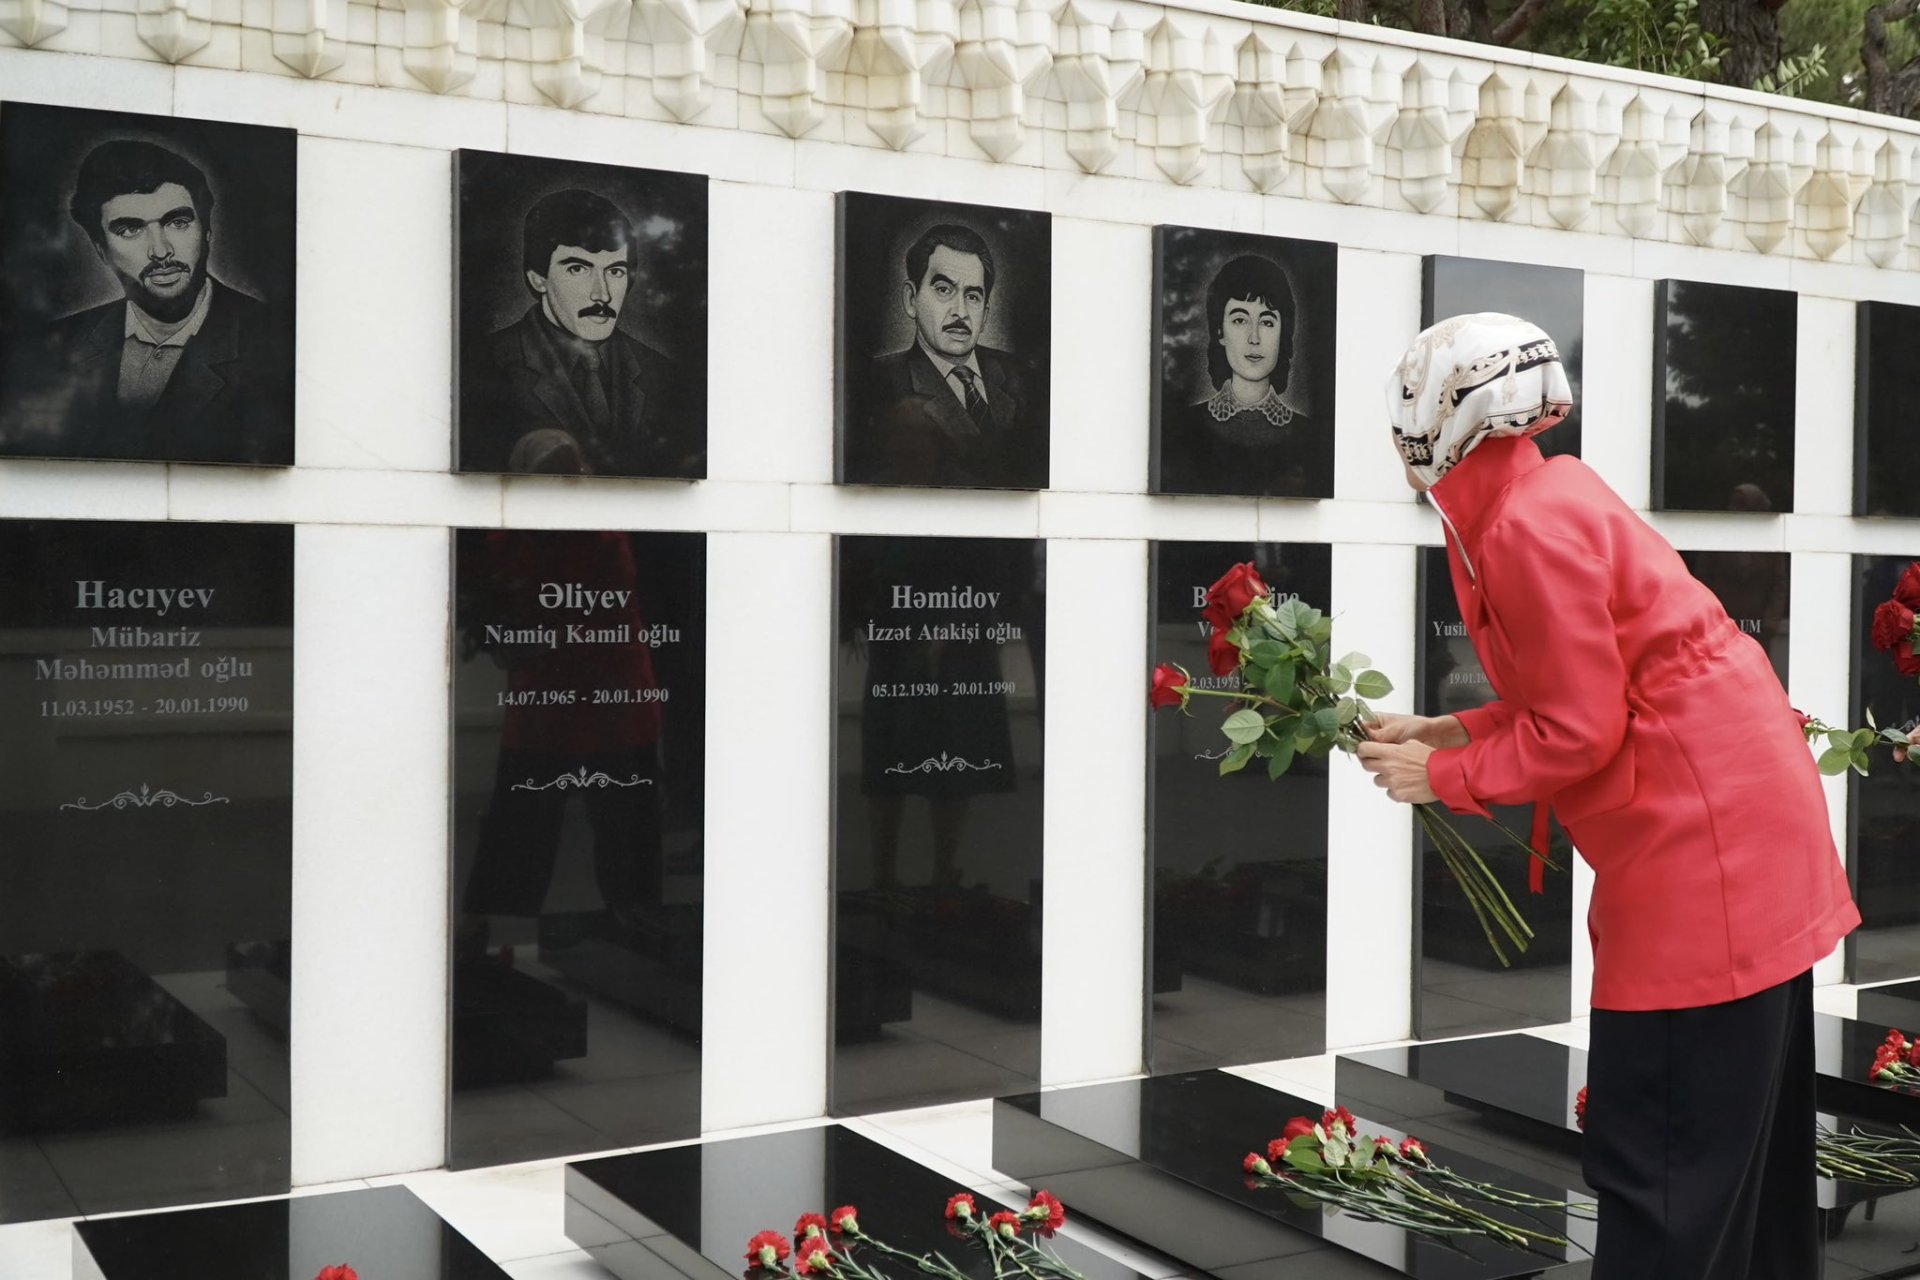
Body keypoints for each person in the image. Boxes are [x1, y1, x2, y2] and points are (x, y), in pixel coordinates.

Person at [1355, 313, 1859, 1280]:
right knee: (1747, 1169)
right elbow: (1601, 681)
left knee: (1663, 1164)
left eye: (1409, 402)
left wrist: (1446, 777)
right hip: (1743, 837)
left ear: (1448, 417)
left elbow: (1582, 728)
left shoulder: (1518, 528)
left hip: (1700, 863)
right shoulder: (1549, 491)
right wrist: (1456, 730)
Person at [0, 139, 293, 464]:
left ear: (207, 231)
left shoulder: (279, 344)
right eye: (130, 230)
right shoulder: (51, 348)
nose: (161, 250)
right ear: (100, 249)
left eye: (177, 222)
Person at [460, 189, 688, 477]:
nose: (601, 294)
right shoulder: (485, 366)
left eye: (615, 271)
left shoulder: (663, 373)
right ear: (538, 279)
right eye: (578, 269)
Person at [851, 223, 1046, 489]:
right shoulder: (873, 386)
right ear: (911, 299)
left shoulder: (1023, 377)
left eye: (973, 296)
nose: (960, 312)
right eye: (944, 290)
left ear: (985, 314)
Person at [1158, 254, 1327, 498]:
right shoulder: (1184, 427)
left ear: (1283, 333)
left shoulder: (1309, 433)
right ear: (1220, 331)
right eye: (1240, 320)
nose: (1254, 338)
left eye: (1267, 322)